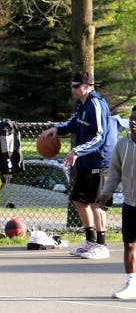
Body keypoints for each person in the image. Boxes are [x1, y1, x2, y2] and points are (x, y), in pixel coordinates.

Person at [40, 70, 116, 260]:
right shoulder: (81, 104)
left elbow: (99, 136)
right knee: (78, 199)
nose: (73, 89)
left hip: (100, 161)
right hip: (85, 160)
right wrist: (56, 129)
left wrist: (76, 151)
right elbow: (73, 123)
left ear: (89, 86)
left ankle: (102, 244)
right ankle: (90, 241)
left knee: (96, 203)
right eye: (72, 86)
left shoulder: (96, 105)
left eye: (77, 86)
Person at [97, 106, 136, 298]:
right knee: (129, 244)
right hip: (130, 204)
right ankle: (131, 284)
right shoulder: (122, 145)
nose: (134, 122)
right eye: (132, 118)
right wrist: (106, 193)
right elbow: (115, 174)